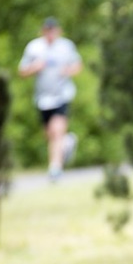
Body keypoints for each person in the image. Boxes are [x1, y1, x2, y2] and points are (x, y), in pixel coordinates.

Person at [18, 17, 83, 180]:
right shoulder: (34, 47)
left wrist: (67, 71)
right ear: (43, 31)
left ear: (58, 31)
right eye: (48, 30)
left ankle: (55, 168)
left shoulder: (66, 46)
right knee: (49, 134)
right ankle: (67, 143)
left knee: (57, 130)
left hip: (62, 95)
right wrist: (35, 67)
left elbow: (78, 66)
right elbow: (22, 71)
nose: (51, 33)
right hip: (42, 98)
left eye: (53, 30)